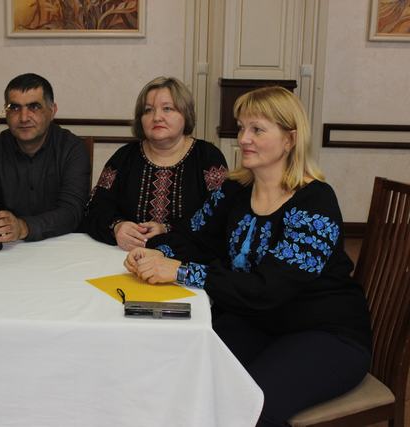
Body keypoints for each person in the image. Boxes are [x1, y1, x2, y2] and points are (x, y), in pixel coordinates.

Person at [124, 86, 372, 426]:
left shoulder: (315, 202)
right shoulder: (234, 189)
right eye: (241, 128)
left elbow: (267, 289)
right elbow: (190, 236)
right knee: (178, 373)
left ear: (290, 139)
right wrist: (152, 254)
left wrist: (180, 271)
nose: (243, 139)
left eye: (257, 129)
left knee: (248, 405)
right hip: (257, 321)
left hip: (325, 332)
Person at [84, 76, 227, 251]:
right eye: (148, 110)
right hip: (123, 255)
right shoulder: (123, 157)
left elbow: (221, 215)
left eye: (167, 109)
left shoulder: (208, 158)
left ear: (185, 114)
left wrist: (167, 229)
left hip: (186, 258)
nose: (157, 117)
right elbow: (95, 207)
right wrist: (116, 226)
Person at [0, 73, 91, 244]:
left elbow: (72, 212)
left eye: (34, 107)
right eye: (15, 108)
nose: (24, 118)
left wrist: (24, 227)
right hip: (6, 247)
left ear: (52, 111)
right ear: (5, 112)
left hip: (61, 246)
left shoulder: (72, 149)